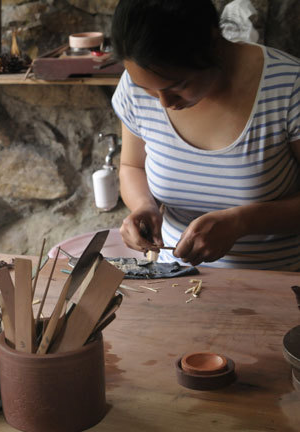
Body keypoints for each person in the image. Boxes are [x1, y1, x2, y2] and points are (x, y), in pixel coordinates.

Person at [110, 0, 300, 270]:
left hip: (276, 286)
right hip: (175, 279)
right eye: (149, 90)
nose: (164, 102)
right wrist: (144, 206)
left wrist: (242, 222)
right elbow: (132, 166)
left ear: (213, 42)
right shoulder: (135, 86)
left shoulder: (289, 86)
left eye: (179, 85)